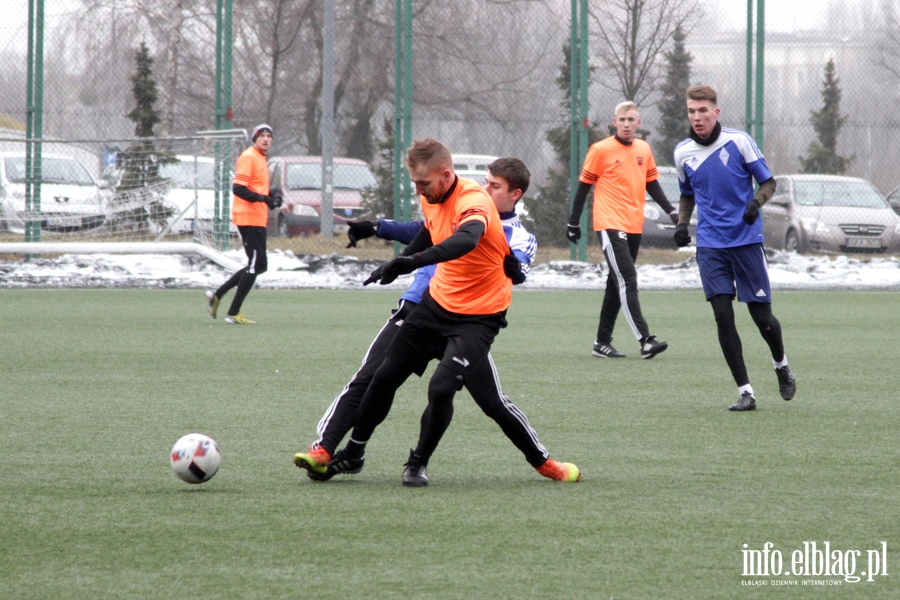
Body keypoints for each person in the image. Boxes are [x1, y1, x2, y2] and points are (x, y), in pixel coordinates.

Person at [294, 156, 579, 485]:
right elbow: (425, 230)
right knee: (373, 377)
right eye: (486, 182)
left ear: (515, 195)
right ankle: (331, 450)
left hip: (471, 320)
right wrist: (378, 229)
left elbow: (501, 260)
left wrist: (513, 269)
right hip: (424, 307)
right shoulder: (446, 202)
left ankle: (541, 462)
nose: (487, 189)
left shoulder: (505, 227)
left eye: (495, 186)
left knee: (488, 400)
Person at [672, 85, 796, 411]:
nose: (696, 117)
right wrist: (683, 225)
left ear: (716, 112)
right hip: (711, 245)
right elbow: (687, 194)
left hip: (746, 241)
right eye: (691, 111)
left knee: (762, 318)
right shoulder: (682, 152)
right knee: (722, 316)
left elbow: (769, 182)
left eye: (702, 111)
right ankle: (746, 391)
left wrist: (756, 203)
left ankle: (781, 364)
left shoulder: (738, 141)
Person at [566, 101, 674, 360]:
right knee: (627, 277)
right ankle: (645, 340)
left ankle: (601, 343)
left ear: (639, 123)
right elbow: (583, 187)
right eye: (622, 119)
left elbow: (652, 184)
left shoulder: (643, 149)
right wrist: (573, 221)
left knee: (616, 284)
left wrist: (671, 211)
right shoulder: (600, 150)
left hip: (633, 224)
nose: (627, 124)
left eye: (631, 119)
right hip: (609, 224)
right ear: (615, 122)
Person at [206, 124, 282, 324]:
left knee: (258, 265)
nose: (266, 139)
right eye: (262, 135)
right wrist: (264, 199)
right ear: (254, 138)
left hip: (257, 217)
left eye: (269, 135)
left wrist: (272, 195)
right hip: (249, 217)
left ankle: (218, 295)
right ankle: (232, 313)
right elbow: (238, 189)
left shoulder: (260, 158)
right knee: (256, 265)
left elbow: (256, 187)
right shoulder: (249, 156)